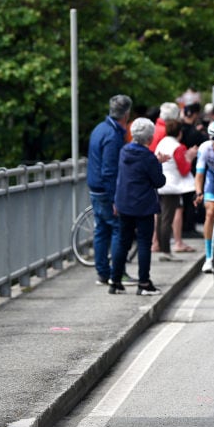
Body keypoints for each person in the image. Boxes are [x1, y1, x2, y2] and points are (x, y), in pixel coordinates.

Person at [111, 117, 167, 295]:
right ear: (150, 138)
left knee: (123, 242)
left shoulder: (124, 151)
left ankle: (115, 281)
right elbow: (159, 182)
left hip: (124, 203)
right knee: (144, 243)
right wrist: (158, 164)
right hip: (143, 206)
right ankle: (143, 283)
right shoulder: (148, 157)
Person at [86, 94, 132, 286]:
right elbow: (109, 170)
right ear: (126, 114)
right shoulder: (113, 136)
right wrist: (115, 199)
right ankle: (117, 273)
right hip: (106, 190)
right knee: (117, 229)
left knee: (101, 230)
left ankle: (103, 273)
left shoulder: (99, 129)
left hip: (95, 187)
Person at [156, 118, 197, 260]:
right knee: (167, 219)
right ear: (180, 133)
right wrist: (190, 157)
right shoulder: (177, 147)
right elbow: (184, 169)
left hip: (160, 184)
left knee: (161, 218)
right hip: (172, 186)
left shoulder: (162, 143)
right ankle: (166, 250)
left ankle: (161, 246)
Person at [194, 120, 214, 273]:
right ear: (209, 137)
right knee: (210, 212)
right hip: (212, 179)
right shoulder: (205, 148)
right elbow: (200, 174)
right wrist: (198, 192)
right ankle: (209, 257)